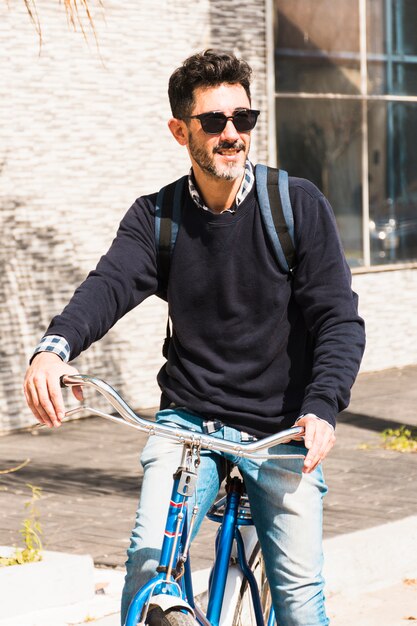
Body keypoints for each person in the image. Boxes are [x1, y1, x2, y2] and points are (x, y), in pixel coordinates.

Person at [24, 49, 365, 626]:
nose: (232, 134)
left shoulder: (295, 206)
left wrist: (323, 407)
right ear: (180, 130)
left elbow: (338, 319)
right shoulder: (157, 218)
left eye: (244, 119)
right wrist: (54, 350)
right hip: (190, 423)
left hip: (281, 430)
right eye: (214, 122)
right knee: (148, 573)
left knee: (301, 603)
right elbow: (107, 286)